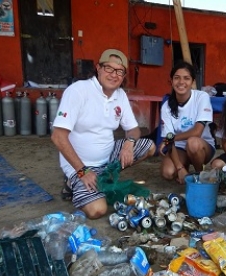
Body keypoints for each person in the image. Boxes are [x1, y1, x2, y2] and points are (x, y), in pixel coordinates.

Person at [52, 49, 156, 219]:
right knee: (97, 210)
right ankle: (73, 182)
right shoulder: (78, 90)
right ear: (98, 68)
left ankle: (106, 176)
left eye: (119, 71)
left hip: (108, 158)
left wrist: (129, 144)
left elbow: (134, 130)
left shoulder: (120, 95)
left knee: (149, 147)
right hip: (81, 165)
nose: (114, 75)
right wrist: (82, 171)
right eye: (109, 68)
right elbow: (58, 136)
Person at [159, 60, 215, 184]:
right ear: (171, 81)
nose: (181, 82)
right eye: (177, 78)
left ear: (193, 82)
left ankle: (200, 175)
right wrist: (179, 168)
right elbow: (168, 139)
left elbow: (197, 132)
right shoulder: (167, 106)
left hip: (203, 146)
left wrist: (172, 138)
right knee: (168, 172)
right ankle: (184, 169)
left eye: (186, 78)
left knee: (193, 143)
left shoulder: (201, 97)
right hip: (179, 147)